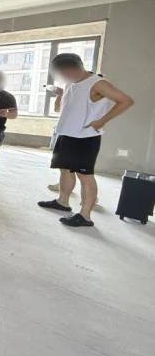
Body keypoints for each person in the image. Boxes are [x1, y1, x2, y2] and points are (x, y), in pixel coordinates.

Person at [38, 53, 134, 227]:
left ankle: (85, 216)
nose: (61, 76)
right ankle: (62, 202)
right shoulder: (70, 83)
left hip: (85, 137)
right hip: (66, 134)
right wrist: (60, 94)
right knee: (65, 170)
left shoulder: (98, 83)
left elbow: (126, 101)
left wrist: (102, 121)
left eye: (62, 72)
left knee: (85, 176)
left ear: (72, 68)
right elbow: (61, 109)